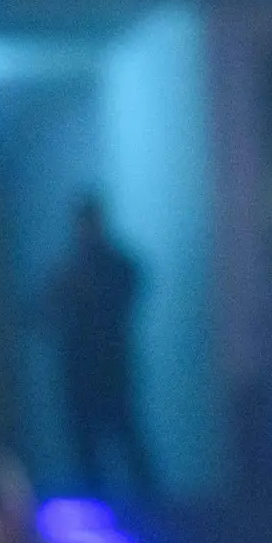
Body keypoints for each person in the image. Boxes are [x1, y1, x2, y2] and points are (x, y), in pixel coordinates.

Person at [47, 194, 155, 501]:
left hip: (111, 370)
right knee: (87, 450)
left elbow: (126, 295)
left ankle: (154, 509)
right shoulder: (69, 269)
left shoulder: (117, 266)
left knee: (128, 439)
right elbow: (48, 312)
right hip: (80, 373)